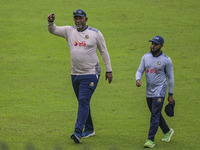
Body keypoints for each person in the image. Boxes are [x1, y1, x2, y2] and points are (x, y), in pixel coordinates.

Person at [47, 9, 112, 143]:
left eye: (80, 18)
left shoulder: (95, 33)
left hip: (91, 74)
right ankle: (90, 128)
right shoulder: (69, 31)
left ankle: (78, 132)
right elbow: (53, 30)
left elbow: (104, 51)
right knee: (83, 102)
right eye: (76, 18)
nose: (78, 21)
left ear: (86, 19)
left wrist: (109, 70)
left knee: (83, 101)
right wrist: (50, 22)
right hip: (75, 74)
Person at [135, 36, 174, 148]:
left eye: (156, 44)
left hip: (160, 91)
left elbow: (171, 78)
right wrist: (138, 79)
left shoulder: (166, 60)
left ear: (161, 46)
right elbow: (140, 70)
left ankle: (150, 139)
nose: (153, 46)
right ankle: (167, 131)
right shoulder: (146, 57)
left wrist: (170, 94)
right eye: (152, 43)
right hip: (149, 91)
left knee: (154, 116)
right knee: (155, 114)